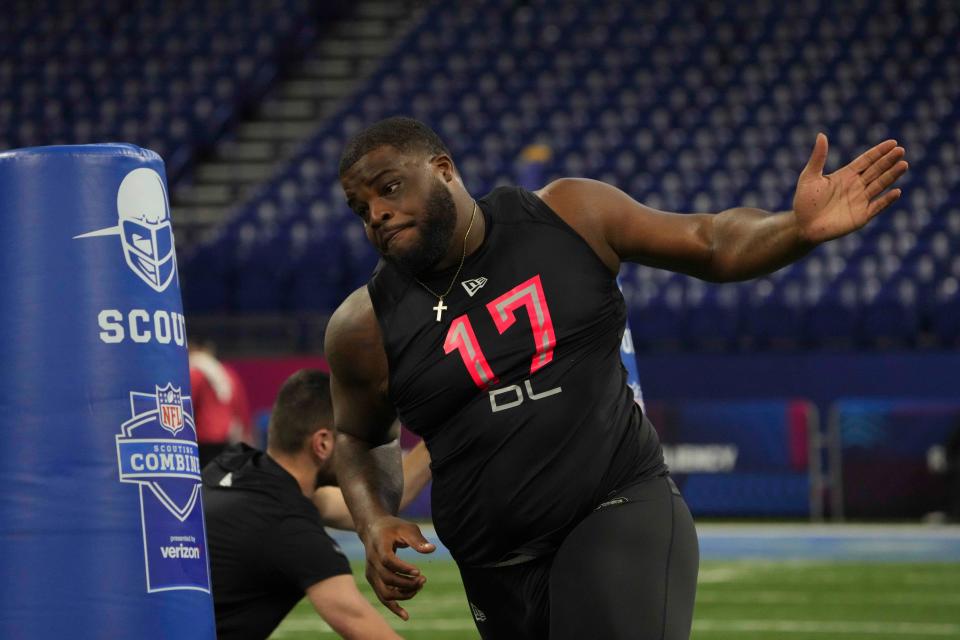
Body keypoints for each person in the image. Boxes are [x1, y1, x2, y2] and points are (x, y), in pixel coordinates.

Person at [325, 116, 907, 639]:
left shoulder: (567, 214)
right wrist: (373, 517)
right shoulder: (363, 326)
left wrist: (794, 229)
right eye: (361, 207)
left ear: (443, 170)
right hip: (494, 569)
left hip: (615, 504)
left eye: (389, 188)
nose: (376, 213)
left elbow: (711, 241)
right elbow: (359, 437)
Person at [202, 368, 430, 640]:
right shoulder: (288, 526)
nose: (359, 452)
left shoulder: (234, 465)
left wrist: (445, 437)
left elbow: (379, 500)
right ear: (322, 443)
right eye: (351, 439)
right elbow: (362, 625)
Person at [189, 337, 253, 466]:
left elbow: (188, 404)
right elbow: (241, 407)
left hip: (203, 439)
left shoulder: (194, 372)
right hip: (226, 439)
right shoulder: (227, 373)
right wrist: (246, 433)